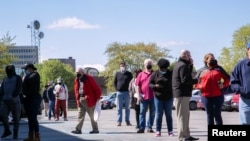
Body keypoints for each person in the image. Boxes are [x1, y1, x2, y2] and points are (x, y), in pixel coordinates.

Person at [195, 53, 230, 125]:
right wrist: (200, 86)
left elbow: (228, 78)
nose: (212, 60)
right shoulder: (201, 70)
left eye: (213, 58)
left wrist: (223, 85)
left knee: (217, 115)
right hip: (206, 96)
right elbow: (194, 83)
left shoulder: (219, 69)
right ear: (206, 60)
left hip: (218, 95)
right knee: (209, 115)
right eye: (210, 59)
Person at [172, 50, 199, 141]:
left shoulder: (181, 64)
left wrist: (190, 65)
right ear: (185, 56)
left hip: (183, 94)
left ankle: (187, 135)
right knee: (182, 117)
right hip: (182, 94)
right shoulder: (182, 66)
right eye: (189, 55)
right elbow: (185, 80)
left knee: (185, 116)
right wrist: (197, 80)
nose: (190, 57)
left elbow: (187, 76)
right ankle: (182, 137)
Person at [71, 67, 101, 134]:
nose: (77, 74)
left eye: (78, 73)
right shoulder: (77, 79)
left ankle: (95, 129)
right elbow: (76, 90)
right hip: (80, 98)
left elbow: (96, 88)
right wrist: (77, 99)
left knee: (92, 115)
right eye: (76, 73)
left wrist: (98, 97)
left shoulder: (89, 78)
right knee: (80, 115)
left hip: (88, 99)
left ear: (82, 72)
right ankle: (78, 129)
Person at [149, 58, 174, 137]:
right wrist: (155, 86)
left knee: (168, 115)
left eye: (164, 68)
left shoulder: (170, 73)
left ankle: (170, 131)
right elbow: (149, 84)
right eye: (161, 68)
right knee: (159, 115)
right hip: (158, 97)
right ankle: (158, 131)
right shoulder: (155, 74)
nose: (162, 69)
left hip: (169, 97)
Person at [0, 65, 22, 139]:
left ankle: (15, 132)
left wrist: (14, 95)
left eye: (10, 69)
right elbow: (2, 89)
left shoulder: (17, 78)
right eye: (7, 69)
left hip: (14, 101)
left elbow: (19, 87)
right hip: (5, 100)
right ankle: (7, 130)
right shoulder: (5, 79)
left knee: (16, 118)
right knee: (2, 115)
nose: (8, 71)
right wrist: (1, 96)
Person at [231, 42, 250, 125]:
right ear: (248, 50)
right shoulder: (240, 65)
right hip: (245, 101)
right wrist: (241, 90)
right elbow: (234, 81)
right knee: (245, 123)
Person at [21, 63, 42, 141]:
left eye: (25, 69)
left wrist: (24, 79)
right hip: (28, 99)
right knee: (30, 118)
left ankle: (37, 136)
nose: (24, 71)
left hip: (34, 99)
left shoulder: (35, 75)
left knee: (33, 118)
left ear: (30, 69)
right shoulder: (26, 77)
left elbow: (29, 80)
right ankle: (30, 136)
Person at [135, 59, 155, 133]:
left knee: (152, 113)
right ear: (144, 65)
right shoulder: (140, 74)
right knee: (142, 112)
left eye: (150, 63)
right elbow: (137, 86)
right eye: (147, 63)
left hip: (153, 97)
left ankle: (149, 127)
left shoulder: (155, 73)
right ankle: (141, 128)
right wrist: (139, 95)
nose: (148, 64)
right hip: (143, 97)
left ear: (152, 64)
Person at [114, 62, 133, 126]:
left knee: (127, 108)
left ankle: (127, 121)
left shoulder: (129, 74)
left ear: (125, 66)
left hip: (127, 92)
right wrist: (117, 89)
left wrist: (131, 91)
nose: (122, 67)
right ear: (120, 67)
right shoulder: (117, 73)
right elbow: (115, 82)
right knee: (119, 108)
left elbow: (132, 82)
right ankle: (119, 121)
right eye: (121, 66)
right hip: (119, 92)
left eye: (123, 66)